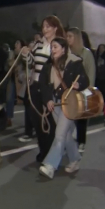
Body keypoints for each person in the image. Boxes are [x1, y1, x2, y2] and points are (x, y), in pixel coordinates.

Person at [38, 37, 89, 179]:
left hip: (69, 102)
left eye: (55, 47)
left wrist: (79, 85)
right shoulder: (49, 65)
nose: (53, 50)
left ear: (63, 49)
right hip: (54, 103)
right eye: (52, 47)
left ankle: (50, 165)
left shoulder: (74, 62)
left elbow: (85, 80)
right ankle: (75, 159)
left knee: (60, 133)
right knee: (66, 135)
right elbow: (43, 83)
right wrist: (47, 99)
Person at [21, 16, 65, 162]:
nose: (44, 29)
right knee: (37, 120)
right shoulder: (38, 44)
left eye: (48, 26)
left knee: (50, 122)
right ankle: (44, 150)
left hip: (50, 87)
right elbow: (32, 63)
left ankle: (51, 154)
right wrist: (26, 55)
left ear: (55, 28)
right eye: (43, 26)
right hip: (35, 86)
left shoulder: (59, 45)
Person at [66, 27, 96, 153]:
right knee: (69, 117)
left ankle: (81, 142)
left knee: (82, 117)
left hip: (83, 90)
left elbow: (91, 72)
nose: (67, 39)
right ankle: (70, 143)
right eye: (66, 36)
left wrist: (89, 90)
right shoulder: (66, 52)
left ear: (77, 38)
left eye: (70, 36)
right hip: (70, 91)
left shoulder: (86, 53)